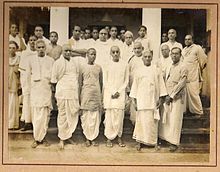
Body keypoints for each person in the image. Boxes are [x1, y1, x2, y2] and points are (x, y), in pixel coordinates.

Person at [129, 50, 167, 151]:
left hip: (152, 99)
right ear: (142, 58)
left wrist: (160, 98)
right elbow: (135, 86)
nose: (147, 58)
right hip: (141, 99)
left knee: (152, 121)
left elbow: (161, 84)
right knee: (141, 121)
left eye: (149, 57)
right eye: (145, 57)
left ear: (151, 58)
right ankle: (139, 142)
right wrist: (134, 101)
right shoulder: (138, 70)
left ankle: (153, 142)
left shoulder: (156, 70)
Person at [51, 44, 80, 149]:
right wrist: (55, 94)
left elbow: (76, 78)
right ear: (62, 52)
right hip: (62, 92)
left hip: (72, 93)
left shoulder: (74, 63)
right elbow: (54, 80)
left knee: (72, 114)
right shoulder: (57, 63)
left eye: (69, 51)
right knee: (63, 115)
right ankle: (62, 139)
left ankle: (68, 136)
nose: (68, 53)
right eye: (66, 51)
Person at [159, 47, 188, 152]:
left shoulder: (183, 66)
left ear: (180, 55)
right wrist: (164, 94)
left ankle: (174, 142)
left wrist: (171, 96)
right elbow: (164, 78)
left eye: (176, 54)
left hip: (176, 96)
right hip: (166, 95)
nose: (174, 56)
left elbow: (182, 83)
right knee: (167, 118)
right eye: (173, 54)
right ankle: (165, 138)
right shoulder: (168, 65)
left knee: (175, 119)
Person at [26, 40, 54, 148]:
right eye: (39, 47)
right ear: (36, 48)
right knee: (36, 115)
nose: (41, 49)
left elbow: (53, 76)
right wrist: (28, 89)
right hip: (35, 90)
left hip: (46, 89)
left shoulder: (50, 60)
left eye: (43, 47)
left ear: (45, 48)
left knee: (45, 115)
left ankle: (43, 137)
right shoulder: (31, 60)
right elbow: (28, 76)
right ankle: (36, 138)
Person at [103, 46, 129, 147]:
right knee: (109, 117)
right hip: (110, 95)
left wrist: (119, 91)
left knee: (119, 117)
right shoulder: (107, 64)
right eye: (113, 52)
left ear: (120, 52)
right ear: (110, 53)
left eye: (117, 52)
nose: (115, 54)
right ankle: (109, 138)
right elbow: (105, 81)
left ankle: (119, 137)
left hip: (120, 94)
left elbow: (126, 80)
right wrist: (112, 92)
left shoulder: (124, 64)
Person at [80, 48, 103, 147]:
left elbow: (101, 82)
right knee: (86, 117)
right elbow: (80, 83)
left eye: (94, 54)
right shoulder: (82, 67)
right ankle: (87, 138)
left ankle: (93, 138)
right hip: (86, 94)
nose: (92, 56)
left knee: (95, 117)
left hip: (96, 94)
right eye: (91, 54)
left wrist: (99, 94)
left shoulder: (99, 67)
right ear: (87, 55)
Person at [182, 34, 207, 115]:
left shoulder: (197, 48)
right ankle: (187, 110)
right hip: (185, 74)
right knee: (185, 93)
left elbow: (203, 60)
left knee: (194, 93)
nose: (187, 41)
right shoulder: (184, 50)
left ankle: (198, 111)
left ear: (192, 40)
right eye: (186, 39)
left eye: (189, 39)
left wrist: (199, 69)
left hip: (193, 74)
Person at [19, 35, 37, 131]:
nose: (33, 42)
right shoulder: (24, 53)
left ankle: (34, 122)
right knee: (26, 100)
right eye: (31, 40)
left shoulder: (38, 53)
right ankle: (27, 122)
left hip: (35, 81)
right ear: (28, 42)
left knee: (34, 101)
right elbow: (22, 70)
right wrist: (23, 83)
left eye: (34, 40)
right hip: (27, 80)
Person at [128, 42, 144, 124]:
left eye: (139, 48)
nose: (137, 50)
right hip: (133, 86)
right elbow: (129, 73)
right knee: (134, 104)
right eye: (135, 48)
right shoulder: (131, 60)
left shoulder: (145, 58)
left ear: (142, 49)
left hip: (143, 87)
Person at [8, 41, 21, 130]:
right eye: (9, 47)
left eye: (13, 48)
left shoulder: (19, 58)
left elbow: (20, 72)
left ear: (16, 49)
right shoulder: (4, 58)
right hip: (6, 81)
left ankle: (13, 124)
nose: (11, 49)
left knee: (13, 103)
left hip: (14, 82)